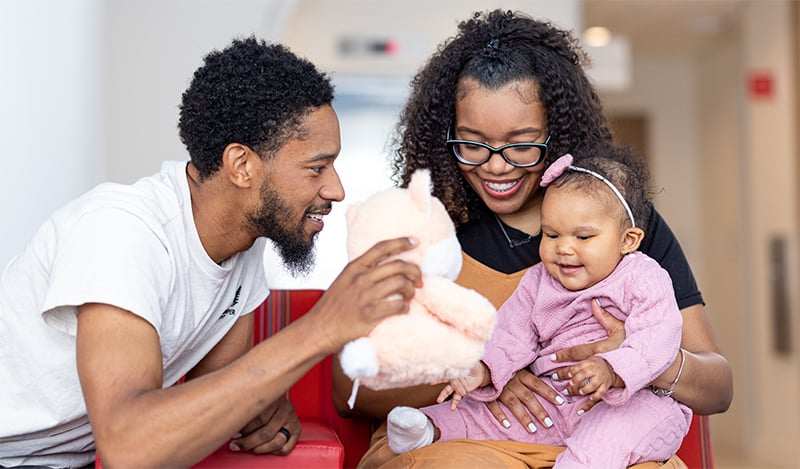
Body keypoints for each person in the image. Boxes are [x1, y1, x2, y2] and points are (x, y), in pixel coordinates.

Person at [330, 9, 733, 468]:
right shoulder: (420, 227)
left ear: (556, 132)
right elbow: (349, 391)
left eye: (521, 143)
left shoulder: (616, 221)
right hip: (462, 443)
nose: (496, 166)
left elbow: (718, 387)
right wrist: (491, 367)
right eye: (472, 143)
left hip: (596, 447)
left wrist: (646, 357)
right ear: (446, 138)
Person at [0, 37, 422, 469]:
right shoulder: (124, 230)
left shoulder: (242, 248)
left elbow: (225, 389)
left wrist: (264, 412)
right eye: (316, 168)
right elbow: (128, 448)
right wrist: (320, 329)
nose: (336, 190)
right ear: (242, 165)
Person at [387, 152, 693, 468]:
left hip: (632, 401)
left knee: (606, 438)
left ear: (627, 240)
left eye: (583, 236)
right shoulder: (539, 280)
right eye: (551, 234)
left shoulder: (643, 277)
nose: (564, 247)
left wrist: (613, 369)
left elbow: (659, 334)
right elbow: (510, 331)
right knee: (485, 413)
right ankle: (430, 429)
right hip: (556, 399)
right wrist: (484, 369)